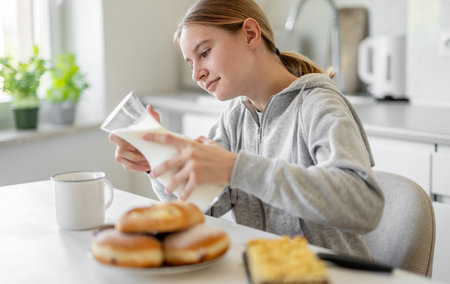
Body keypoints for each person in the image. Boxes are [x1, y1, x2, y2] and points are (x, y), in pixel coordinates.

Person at [109, 0, 384, 260]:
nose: (197, 74)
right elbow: (206, 206)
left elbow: (364, 206)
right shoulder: (236, 116)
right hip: (269, 269)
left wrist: (236, 168)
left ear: (250, 34)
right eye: (190, 63)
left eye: (204, 53)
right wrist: (157, 164)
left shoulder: (318, 105)